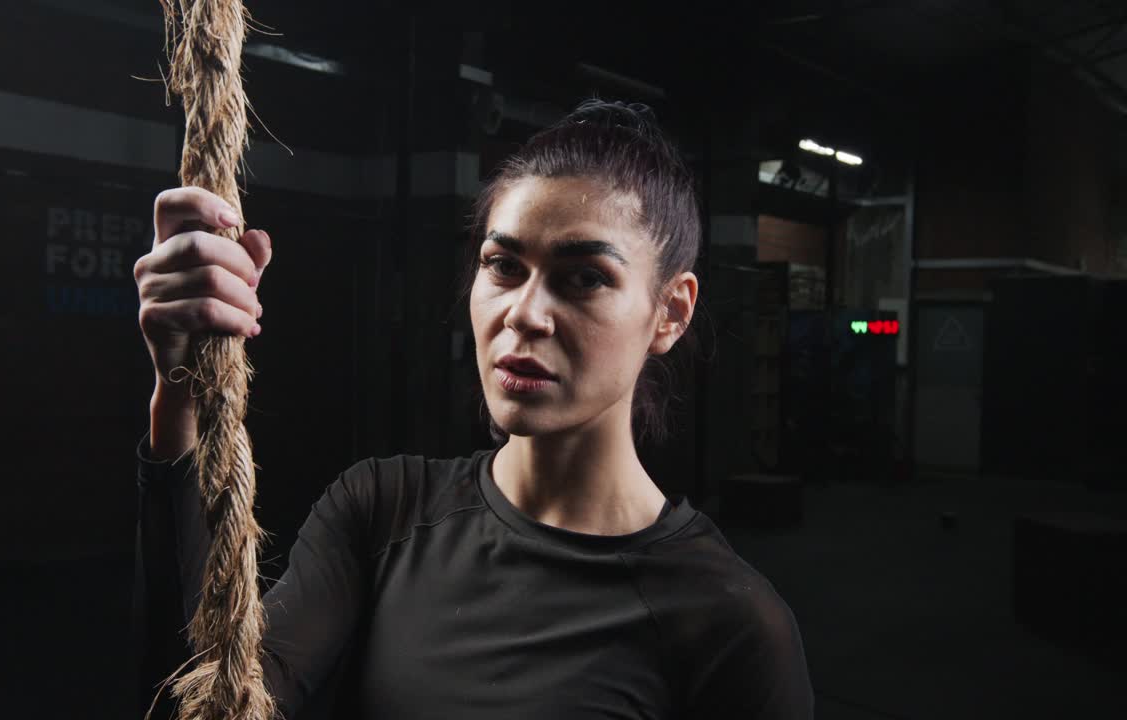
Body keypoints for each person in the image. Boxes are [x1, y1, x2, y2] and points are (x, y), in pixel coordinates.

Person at [132, 99, 813, 719]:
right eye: (504, 266)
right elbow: (201, 703)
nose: (525, 313)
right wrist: (181, 396)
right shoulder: (382, 512)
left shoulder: (730, 627)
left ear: (671, 312)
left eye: (585, 278)